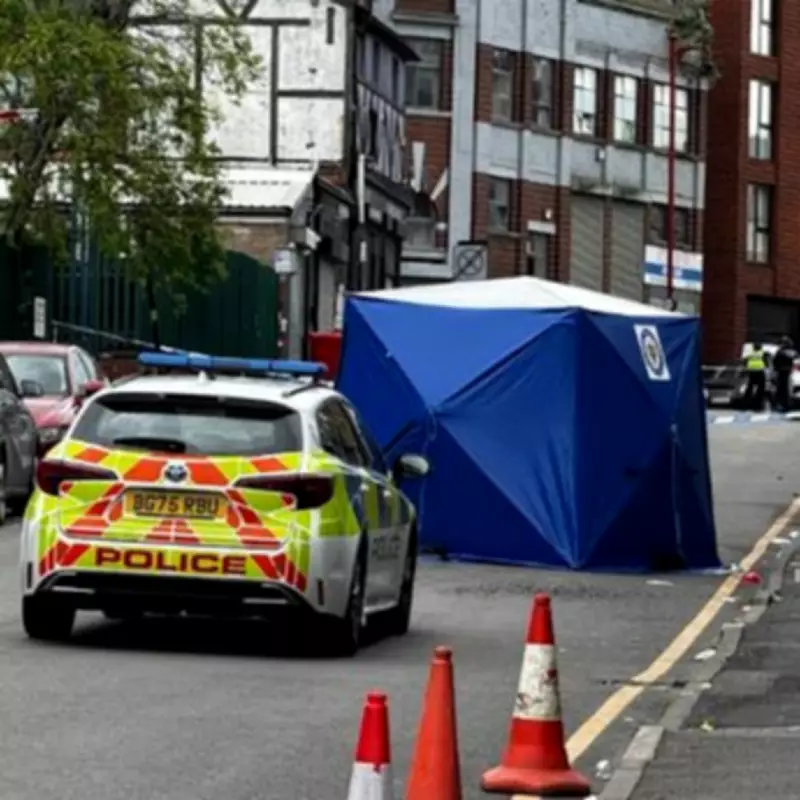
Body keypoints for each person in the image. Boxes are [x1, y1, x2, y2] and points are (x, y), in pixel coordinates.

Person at [773, 335, 797, 412]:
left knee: (781, 389)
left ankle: (781, 404)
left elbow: (775, 362)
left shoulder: (780, 352)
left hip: (782, 372)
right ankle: (788, 404)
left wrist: (776, 369)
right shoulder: (794, 352)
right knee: (788, 389)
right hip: (792, 372)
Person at [744, 342, 767, 411]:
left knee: (749, 388)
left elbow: (745, 362)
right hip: (760, 371)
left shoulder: (750, 354)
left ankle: (746, 405)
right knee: (761, 388)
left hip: (751, 372)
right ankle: (758, 405)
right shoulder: (762, 353)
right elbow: (766, 363)